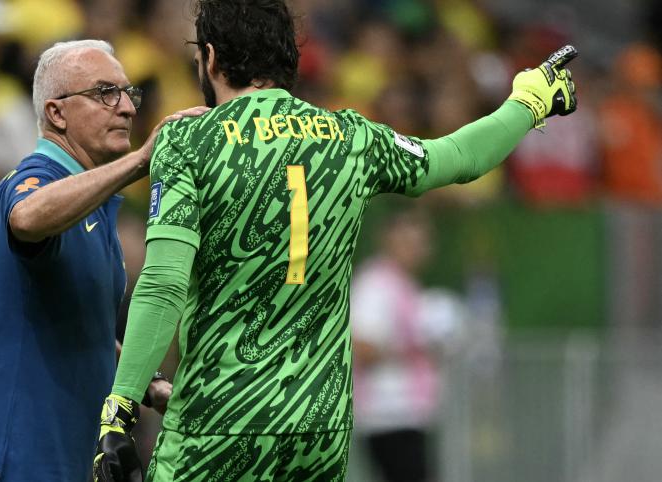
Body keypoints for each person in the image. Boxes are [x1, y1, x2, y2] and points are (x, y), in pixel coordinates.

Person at [93, 1, 578, 481]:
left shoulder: (190, 140)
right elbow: (456, 157)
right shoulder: (351, 137)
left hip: (221, 424)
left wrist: (121, 408)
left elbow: (162, 284)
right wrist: (528, 103)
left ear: (212, 58)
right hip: (319, 430)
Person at [0, 40, 207, 482]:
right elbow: (27, 216)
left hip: (54, 453)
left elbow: (86, 327)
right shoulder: (37, 178)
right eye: (104, 93)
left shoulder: (93, 206)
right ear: (56, 114)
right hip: (6, 452)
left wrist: (146, 382)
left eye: (128, 94)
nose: (128, 109)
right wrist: (140, 162)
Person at [351, 210, 462, 482]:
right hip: (387, 414)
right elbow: (362, 346)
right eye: (408, 241)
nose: (416, 249)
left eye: (421, 242)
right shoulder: (375, 284)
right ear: (388, 240)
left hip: (410, 414)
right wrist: (415, 347)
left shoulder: (405, 286)